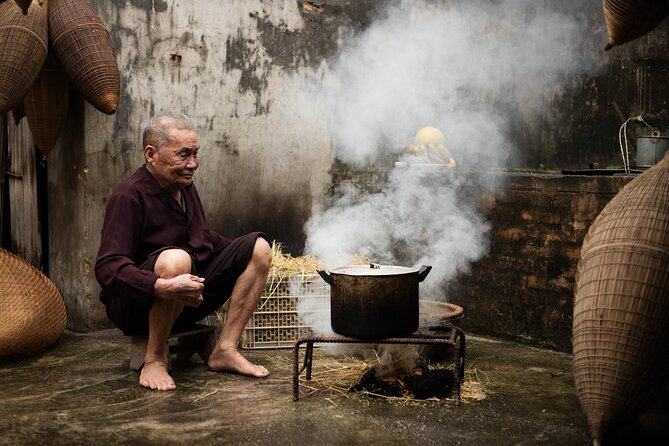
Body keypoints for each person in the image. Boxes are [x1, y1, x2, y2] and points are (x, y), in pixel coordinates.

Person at [95, 111, 271, 391]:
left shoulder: (184, 186)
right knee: (177, 259)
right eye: (183, 155)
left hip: (187, 295)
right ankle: (154, 358)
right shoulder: (128, 196)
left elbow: (202, 238)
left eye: (196, 154)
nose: (192, 164)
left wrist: (239, 253)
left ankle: (225, 350)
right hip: (138, 305)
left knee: (259, 248)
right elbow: (107, 267)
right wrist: (159, 286)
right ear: (151, 154)